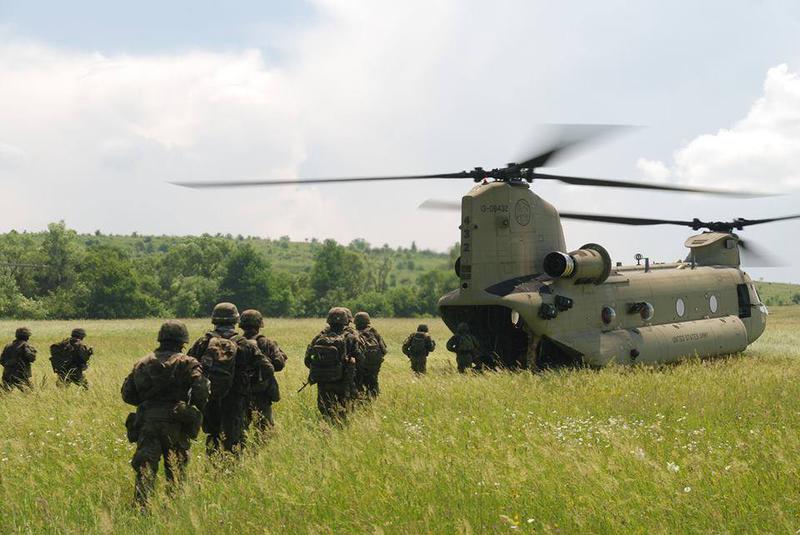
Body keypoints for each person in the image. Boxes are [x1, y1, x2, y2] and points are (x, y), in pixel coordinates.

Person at [121, 320, 210, 509]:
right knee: (176, 469)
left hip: (148, 422)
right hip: (176, 423)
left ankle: (141, 508)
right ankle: (173, 509)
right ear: (182, 342)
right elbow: (201, 390)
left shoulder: (142, 363)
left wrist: (149, 405)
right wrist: (192, 408)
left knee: (145, 469)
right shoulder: (188, 363)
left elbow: (127, 394)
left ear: (161, 339)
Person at [188, 302, 273, 455]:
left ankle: (213, 465)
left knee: (213, 434)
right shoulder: (244, 344)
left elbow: (188, 367)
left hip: (210, 397)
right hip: (236, 397)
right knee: (235, 436)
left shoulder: (203, 342)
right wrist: (249, 384)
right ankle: (232, 466)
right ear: (235, 320)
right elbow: (267, 368)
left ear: (214, 320)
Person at [304, 307, 362, 423]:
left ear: (329, 320)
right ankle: (341, 429)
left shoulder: (319, 337)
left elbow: (308, 359)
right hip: (343, 380)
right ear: (345, 321)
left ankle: (327, 428)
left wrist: (321, 368)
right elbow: (360, 358)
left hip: (323, 381)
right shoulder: (350, 337)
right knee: (343, 410)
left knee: (325, 409)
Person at [239, 309, 287, 431]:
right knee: (265, 429)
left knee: (241, 427)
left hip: (241, 390)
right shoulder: (267, 343)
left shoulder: (235, 343)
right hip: (262, 391)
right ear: (259, 324)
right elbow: (279, 364)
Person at [353, 311, 387, 399]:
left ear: (355, 322)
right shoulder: (374, 333)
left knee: (358, 387)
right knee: (373, 386)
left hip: (359, 368)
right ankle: (373, 403)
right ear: (368, 322)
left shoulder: (353, 334)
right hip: (373, 368)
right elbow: (384, 350)